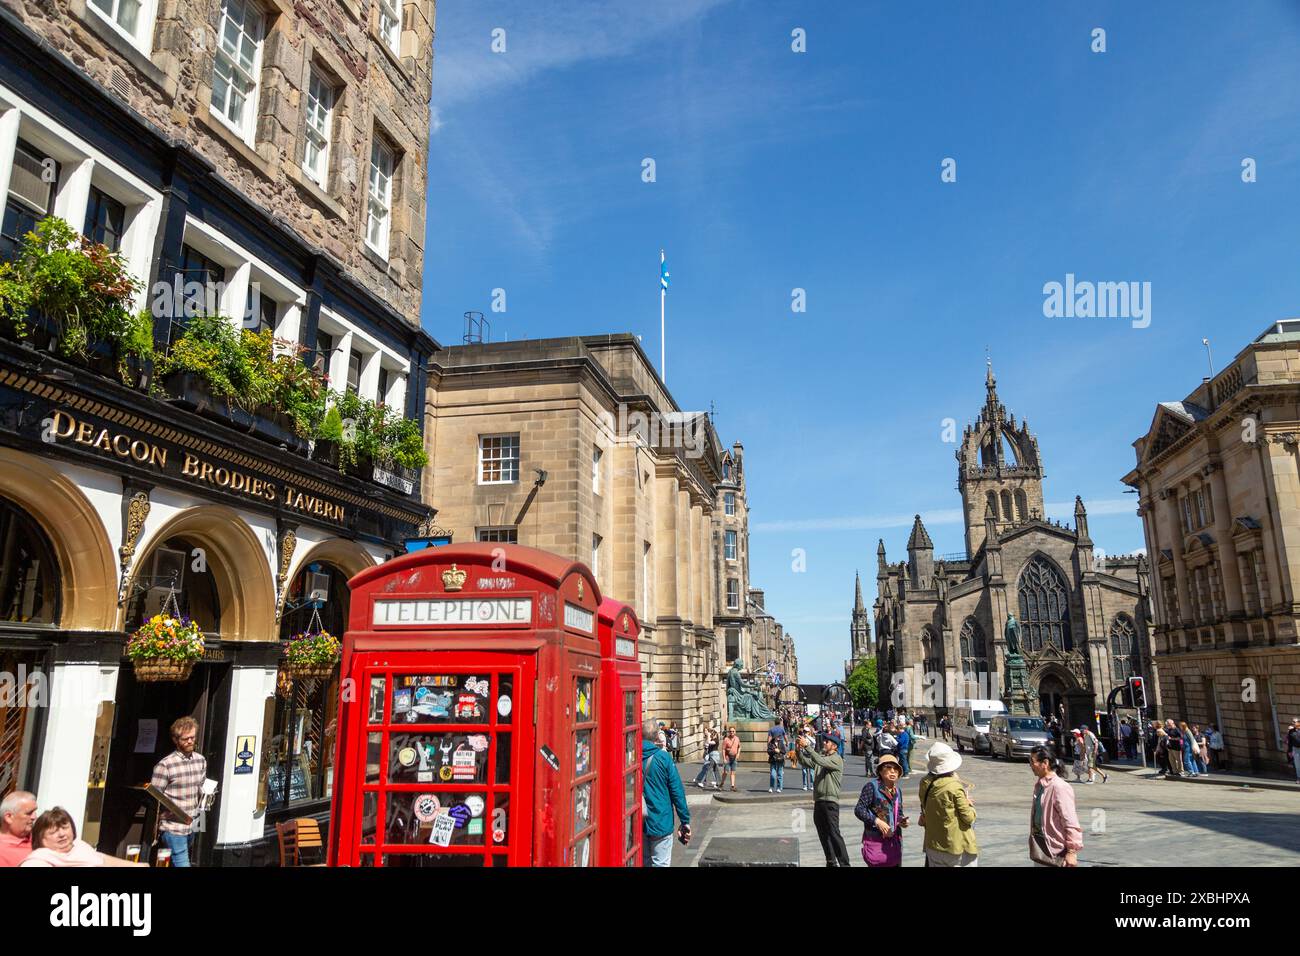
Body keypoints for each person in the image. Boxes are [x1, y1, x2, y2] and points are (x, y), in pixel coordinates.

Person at [151, 715, 208, 867]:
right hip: (172, 828)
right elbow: (154, 796)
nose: (190, 741)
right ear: (176, 740)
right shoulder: (165, 765)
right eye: (185, 739)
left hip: (193, 824)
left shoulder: (200, 760)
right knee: (183, 864)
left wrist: (200, 821)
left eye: (192, 737)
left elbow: (201, 790)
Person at [917, 742, 978, 867]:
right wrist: (969, 804)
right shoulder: (954, 786)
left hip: (933, 843)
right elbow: (968, 818)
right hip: (955, 845)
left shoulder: (924, 783)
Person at [20, 808, 143, 867]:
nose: (62, 834)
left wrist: (138, 866)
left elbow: (101, 858)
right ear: (41, 839)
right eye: (53, 832)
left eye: (65, 827)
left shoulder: (78, 846)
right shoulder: (40, 860)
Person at [641, 719, 690, 866]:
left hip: (638, 820)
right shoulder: (664, 758)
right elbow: (677, 792)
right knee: (660, 863)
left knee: (643, 862)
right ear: (657, 736)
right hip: (661, 820)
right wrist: (685, 820)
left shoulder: (631, 756)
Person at [798, 731, 851, 867]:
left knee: (834, 833)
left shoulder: (836, 759)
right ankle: (831, 861)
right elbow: (806, 761)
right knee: (823, 834)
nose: (824, 743)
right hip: (819, 801)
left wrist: (807, 747)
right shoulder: (822, 757)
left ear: (834, 746)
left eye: (827, 742)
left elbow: (820, 761)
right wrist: (798, 749)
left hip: (830, 802)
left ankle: (844, 864)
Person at [1028, 746, 1082, 867]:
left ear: (1045, 763)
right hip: (1041, 848)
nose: (1030, 765)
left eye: (1032, 761)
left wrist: (1072, 851)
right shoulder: (1040, 785)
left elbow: (1070, 821)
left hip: (1055, 850)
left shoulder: (1059, 787)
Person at [854, 753, 907, 867]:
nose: (893, 771)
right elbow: (859, 809)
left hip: (894, 840)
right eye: (888, 768)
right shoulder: (872, 787)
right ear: (881, 772)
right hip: (876, 840)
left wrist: (902, 820)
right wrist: (876, 821)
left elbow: (899, 812)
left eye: (896, 769)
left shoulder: (898, 791)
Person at [0, 790, 36, 867]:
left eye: (35, 811)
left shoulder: (42, 837)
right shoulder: (2, 852)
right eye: (29, 813)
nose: (34, 817)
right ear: (8, 817)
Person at [693, 724, 723, 790]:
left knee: (709, 768)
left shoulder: (716, 740)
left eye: (713, 734)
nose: (712, 735)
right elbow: (707, 744)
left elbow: (709, 742)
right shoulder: (713, 739)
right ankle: (719, 783)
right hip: (711, 755)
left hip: (714, 756)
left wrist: (709, 735)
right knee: (715, 770)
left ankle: (705, 782)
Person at [767, 722, 788, 793]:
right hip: (773, 760)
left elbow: (784, 751)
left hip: (780, 760)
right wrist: (774, 750)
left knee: (779, 774)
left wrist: (779, 751)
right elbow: (768, 751)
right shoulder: (771, 743)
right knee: (772, 775)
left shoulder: (781, 743)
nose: (778, 737)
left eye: (778, 736)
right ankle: (771, 787)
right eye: (777, 736)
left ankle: (779, 787)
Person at [797, 724, 817, 791]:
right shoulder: (802, 738)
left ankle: (812, 785)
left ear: (809, 732)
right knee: (804, 772)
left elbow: (814, 743)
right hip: (804, 756)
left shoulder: (811, 738)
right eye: (804, 731)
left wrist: (807, 736)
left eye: (806, 731)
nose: (805, 732)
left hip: (810, 756)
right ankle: (805, 785)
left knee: (811, 773)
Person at [1287, 718, 1300, 784]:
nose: (1293, 723)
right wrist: (1289, 751)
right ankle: (1299, 778)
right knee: (1297, 765)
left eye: (1295, 722)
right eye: (1293, 722)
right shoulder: (1291, 731)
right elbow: (1290, 742)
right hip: (1296, 749)